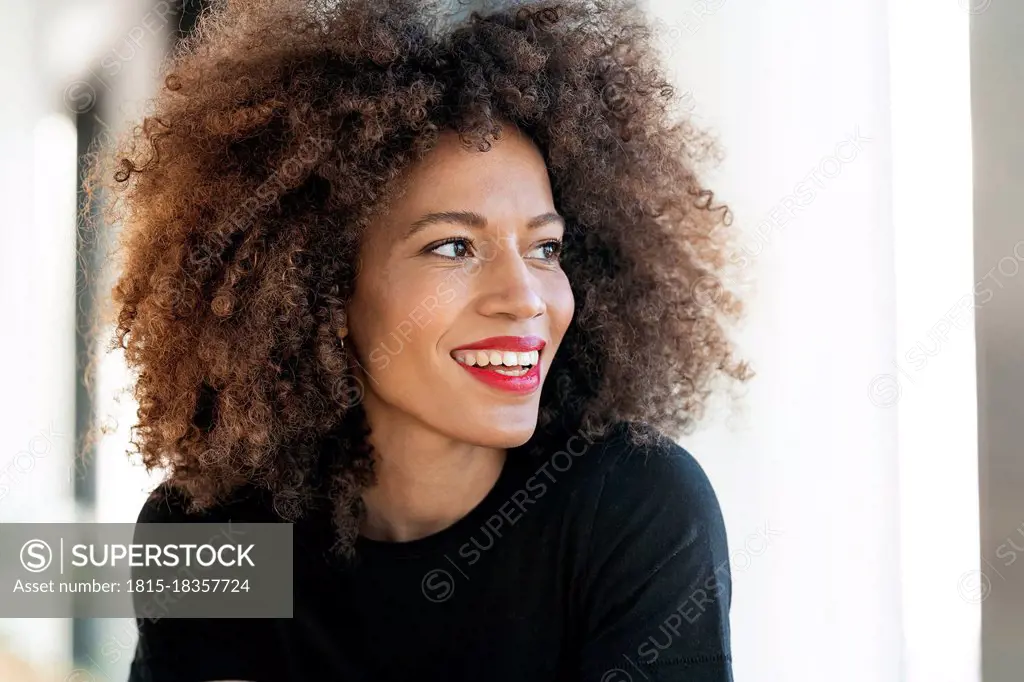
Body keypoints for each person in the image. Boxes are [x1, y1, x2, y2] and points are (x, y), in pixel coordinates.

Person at [86, 0, 751, 679]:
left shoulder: (633, 509)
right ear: (322, 285)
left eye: (546, 248)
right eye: (454, 246)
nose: (525, 297)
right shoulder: (210, 540)